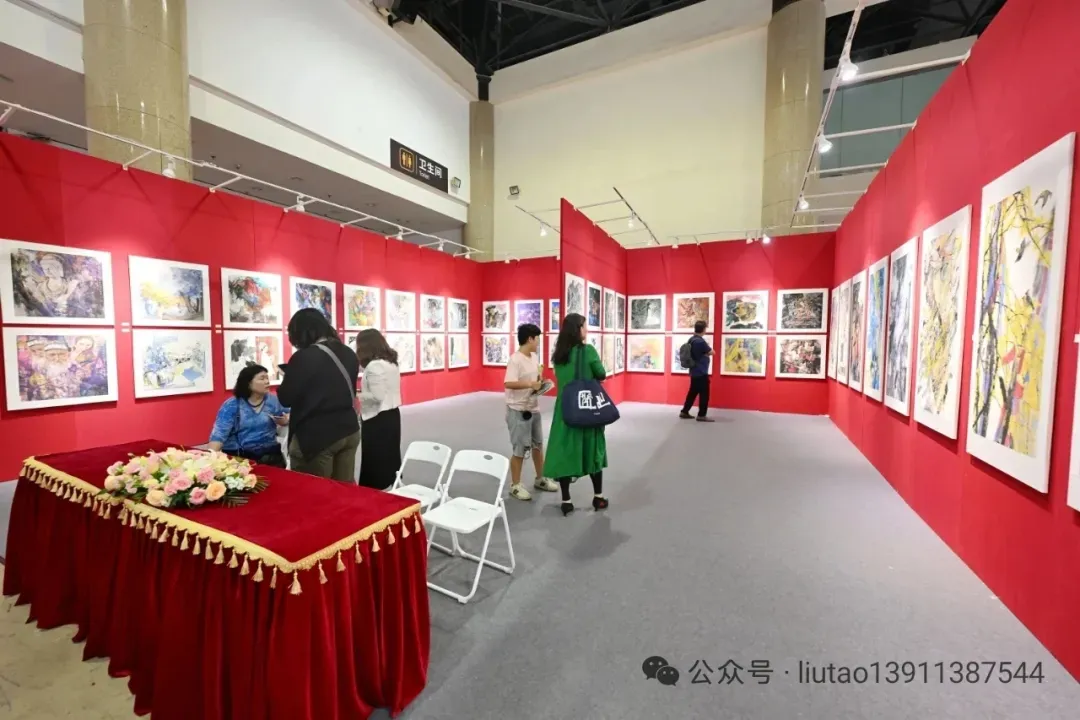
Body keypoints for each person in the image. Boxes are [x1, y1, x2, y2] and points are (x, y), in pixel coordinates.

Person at [277, 309, 361, 482]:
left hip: (317, 436)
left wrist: (288, 376)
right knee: (344, 490)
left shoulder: (304, 357)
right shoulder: (348, 352)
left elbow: (285, 398)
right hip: (348, 429)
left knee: (314, 492)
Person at [543, 313, 610, 516]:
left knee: (564, 451)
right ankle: (598, 497)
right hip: (586, 407)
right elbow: (601, 373)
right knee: (593, 450)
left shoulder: (559, 355)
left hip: (565, 408)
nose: (586, 330)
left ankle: (566, 500)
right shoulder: (587, 351)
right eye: (584, 326)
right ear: (578, 329)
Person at [503, 323, 559, 501]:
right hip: (518, 410)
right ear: (530, 339)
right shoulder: (515, 360)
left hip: (533, 408)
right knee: (519, 449)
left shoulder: (534, 357)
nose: (538, 343)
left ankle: (540, 478)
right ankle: (515, 485)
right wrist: (530, 384)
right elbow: (508, 383)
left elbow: (535, 380)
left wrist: (541, 383)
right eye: (537, 339)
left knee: (537, 445)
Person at [208, 363, 289, 466]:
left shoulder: (272, 400)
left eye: (267, 378)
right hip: (240, 459)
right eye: (262, 378)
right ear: (248, 383)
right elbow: (219, 435)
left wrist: (286, 419)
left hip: (270, 456)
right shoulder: (232, 405)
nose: (267, 381)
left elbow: (290, 411)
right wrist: (210, 460)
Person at [354, 328, 403, 490]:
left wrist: (357, 394)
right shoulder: (391, 362)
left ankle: (377, 492)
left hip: (377, 418)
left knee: (375, 458)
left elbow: (378, 396)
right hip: (392, 415)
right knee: (390, 454)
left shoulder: (374, 366)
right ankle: (392, 485)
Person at [680, 320, 715, 422]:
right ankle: (701, 415)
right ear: (703, 329)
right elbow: (712, 352)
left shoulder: (692, 339)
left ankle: (684, 411)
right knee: (704, 394)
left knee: (693, 392)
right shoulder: (700, 342)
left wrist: (704, 353)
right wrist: (706, 354)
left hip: (694, 371)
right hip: (701, 372)